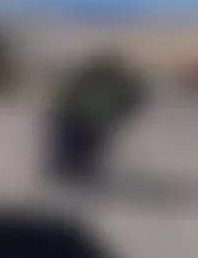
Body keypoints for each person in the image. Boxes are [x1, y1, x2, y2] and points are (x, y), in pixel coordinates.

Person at [47, 50, 145, 183]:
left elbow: (132, 96)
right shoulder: (91, 78)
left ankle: (77, 171)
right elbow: (68, 94)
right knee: (74, 145)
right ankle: (68, 170)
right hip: (77, 117)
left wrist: (119, 112)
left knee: (86, 146)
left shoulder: (115, 81)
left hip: (92, 119)